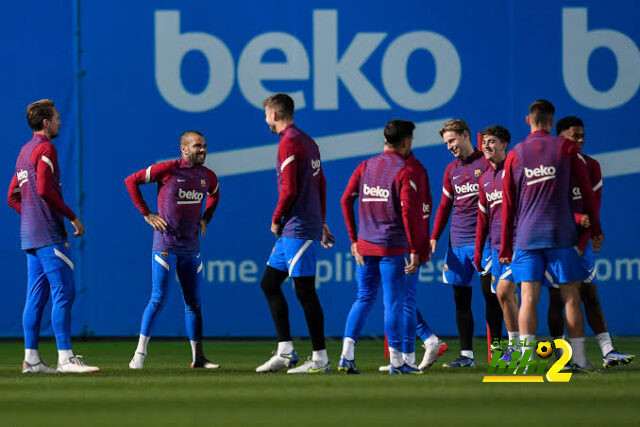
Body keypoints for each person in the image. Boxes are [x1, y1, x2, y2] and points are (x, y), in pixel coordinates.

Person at [500, 100, 604, 373]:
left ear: (528, 120)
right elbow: (587, 193)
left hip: (526, 237)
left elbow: (507, 204)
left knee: (528, 298)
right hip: (561, 236)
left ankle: (523, 361)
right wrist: (596, 229)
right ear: (551, 121)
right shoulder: (566, 148)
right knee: (570, 297)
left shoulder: (516, 153)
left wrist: (505, 244)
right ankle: (579, 359)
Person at [7, 99, 99, 373]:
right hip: (48, 234)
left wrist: (31, 216)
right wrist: (71, 216)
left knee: (35, 298)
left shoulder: (24, 152)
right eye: (57, 118)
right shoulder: (46, 147)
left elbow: (12, 196)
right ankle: (66, 359)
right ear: (46, 123)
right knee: (63, 292)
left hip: (31, 237)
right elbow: (46, 189)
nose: (60, 121)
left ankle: (32, 360)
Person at [125, 130, 220, 370]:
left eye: (205, 146)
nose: (203, 150)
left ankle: (198, 358)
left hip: (191, 248)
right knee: (158, 299)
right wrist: (147, 214)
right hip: (166, 247)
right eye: (198, 146)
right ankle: (139, 355)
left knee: (194, 303)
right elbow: (131, 181)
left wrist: (206, 218)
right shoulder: (167, 169)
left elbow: (214, 196)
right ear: (184, 149)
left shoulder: (207, 176)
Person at [545, 116, 634, 369]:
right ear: (560, 136)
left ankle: (608, 351)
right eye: (575, 135)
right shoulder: (549, 166)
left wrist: (589, 236)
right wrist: (575, 218)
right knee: (556, 298)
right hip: (552, 241)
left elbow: (593, 207)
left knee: (589, 293)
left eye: (583, 135)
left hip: (579, 243)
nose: (581, 140)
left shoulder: (591, 165)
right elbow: (545, 207)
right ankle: (560, 357)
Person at [255, 93, 335, 374]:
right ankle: (286, 351)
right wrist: (322, 221)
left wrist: (276, 218)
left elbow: (289, 190)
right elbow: (321, 182)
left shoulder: (288, 142)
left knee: (304, 291)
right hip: (302, 225)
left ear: (275, 114)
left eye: (266, 113)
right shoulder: (308, 141)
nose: (265, 119)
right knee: (269, 283)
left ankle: (321, 358)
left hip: (296, 227)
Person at [339, 119, 422, 374]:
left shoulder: (365, 166)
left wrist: (353, 239)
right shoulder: (405, 170)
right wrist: (414, 248)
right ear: (406, 142)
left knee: (363, 298)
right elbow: (408, 212)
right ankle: (398, 362)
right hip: (391, 247)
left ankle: (346, 356)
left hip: (364, 246)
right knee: (393, 302)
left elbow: (345, 200)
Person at [430, 119, 503, 368]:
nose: (449, 146)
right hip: (457, 244)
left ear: (465, 135)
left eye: (452, 140)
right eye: (446, 143)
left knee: (491, 295)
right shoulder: (451, 170)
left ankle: (499, 352)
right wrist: (434, 237)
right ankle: (467, 356)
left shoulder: (488, 162)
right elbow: (444, 206)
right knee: (461, 298)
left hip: (486, 242)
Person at [474, 126, 521, 361]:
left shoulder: (515, 172)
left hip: (519, 245)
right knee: (504, 296)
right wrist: (478, 251)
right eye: (484, 142)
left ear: (505, 144)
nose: (486, 146)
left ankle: (569, 354)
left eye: (492, 142)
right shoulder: (484, 179)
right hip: (495, 249)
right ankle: (517, 348)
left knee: (512, 294)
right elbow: (483, 219)